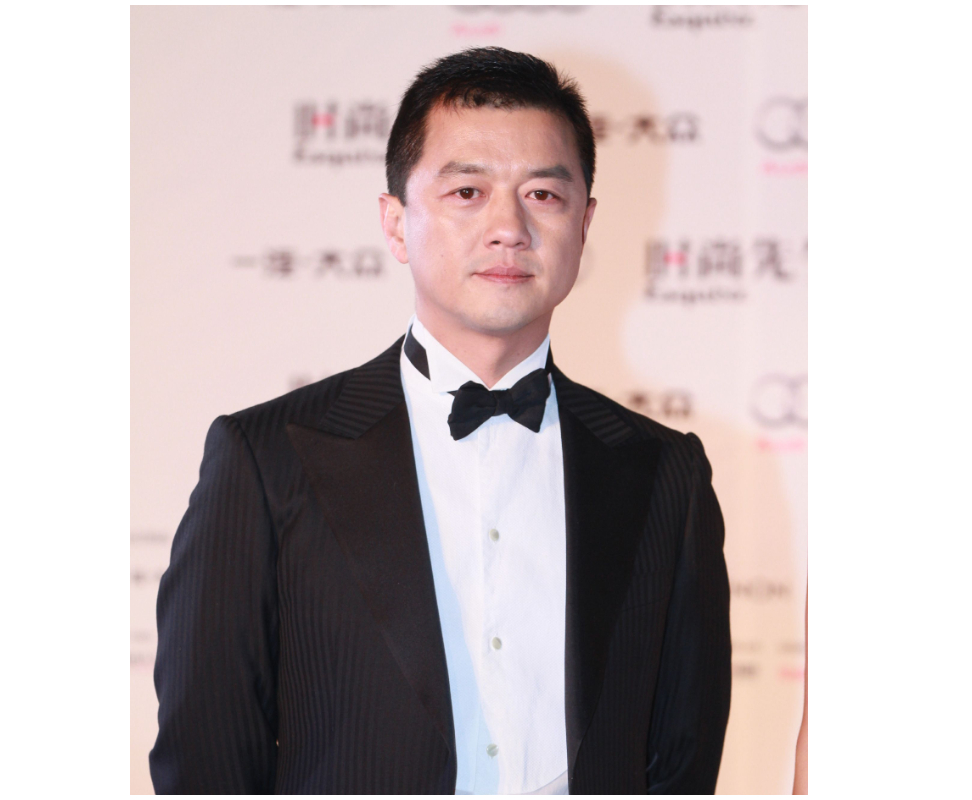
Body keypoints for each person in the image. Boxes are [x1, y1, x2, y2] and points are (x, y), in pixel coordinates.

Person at [150, 46, 731, 795]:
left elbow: (682, 759)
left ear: (585, 224)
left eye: (543, 195)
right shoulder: (266, 460)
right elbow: (206, 759)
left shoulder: (665, 474)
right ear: (396, 223)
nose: (508, 227)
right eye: (466, 191)